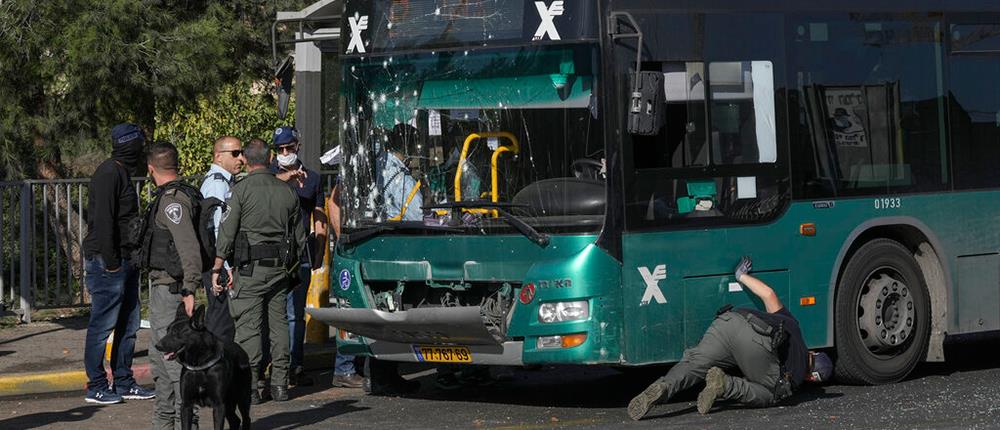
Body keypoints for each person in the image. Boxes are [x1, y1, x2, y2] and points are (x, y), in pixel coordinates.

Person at [627, 256, 834, 421]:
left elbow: (769, 294)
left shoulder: (794, 325)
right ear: (812, 377)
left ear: (813, 353)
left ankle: (662, 387)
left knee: (694, 363)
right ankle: (724, 385)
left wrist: (741, 275)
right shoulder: (798, 376)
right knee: (772, 393)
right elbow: (776, 383)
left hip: (730, 320)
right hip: (757, 341)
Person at [210, 138, 306, 403]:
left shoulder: (239, 191)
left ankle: (250, 387)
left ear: (247, 161)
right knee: (279, 326)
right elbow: (299, 237)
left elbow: (226, 234)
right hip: (279, 271)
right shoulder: (287, 191)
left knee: (249, 329)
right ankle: (280, 385)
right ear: (270, 158)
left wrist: (217, 267)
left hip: (250, 271)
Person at [82, 123, 154, 405]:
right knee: (102, 326)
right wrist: (112, 263)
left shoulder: (121, 171)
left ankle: (123, 381)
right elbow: (103, 221)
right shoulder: (109, 173)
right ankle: (97, 385)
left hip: (124, 260)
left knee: (129, 323)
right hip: (107, 262)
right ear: (129, 145)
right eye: (138, 144)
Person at [140, 141, 203, 429]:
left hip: (173, 291)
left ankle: (188, 424)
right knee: (160, 364)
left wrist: (190, 289)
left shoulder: (173, 201)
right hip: (161, 291)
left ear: (150, 168)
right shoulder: (168, 197)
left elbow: (188, 248)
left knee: (175, 367)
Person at [267, 126, 329, 388]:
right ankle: (269, 366)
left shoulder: (312, 179)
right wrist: (288, 175)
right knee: (270, 311)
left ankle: (295, 365)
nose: (284, 153)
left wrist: (319, 250)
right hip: (270, 252)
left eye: (289, 148)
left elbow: (319, 216)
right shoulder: (268, 175)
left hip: (299, 251)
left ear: (298, 146)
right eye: (279, 149)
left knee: (295, 314)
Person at [199, 136, 244, 343]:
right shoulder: (217, 185)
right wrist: (224, 265)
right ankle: (214, 366)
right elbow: (218, 229)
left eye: (241, 152)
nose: (241, 158)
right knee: (221, 320)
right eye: (235, 153)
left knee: (223, 317)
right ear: (218, 156)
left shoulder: (225, 181)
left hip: (218, 260)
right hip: (218, 261)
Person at [375, 124, 423, 221]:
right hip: (394, 234)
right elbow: (418, 218)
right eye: (415, 149)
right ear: (408, 149)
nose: (416, 155)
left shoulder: (375, 164)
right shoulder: (405, 182)